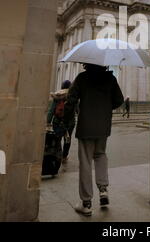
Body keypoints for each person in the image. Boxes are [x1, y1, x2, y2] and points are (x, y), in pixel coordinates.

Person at [63, 63, 124, 216]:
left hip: (86, 125)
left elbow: (70, 101)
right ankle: (103, 190)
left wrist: (66, 120)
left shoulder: (82, 78)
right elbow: (119, 100)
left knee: (85, 161)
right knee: (100, 154)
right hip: (103, 125)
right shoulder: (111, 79)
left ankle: (86, 203)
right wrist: (104, 107)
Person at [47, 80, 76, 163]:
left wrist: (48, 122)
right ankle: (64, 156)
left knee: (57, 139)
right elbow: (77, 110)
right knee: (67, 139)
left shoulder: (57, 96)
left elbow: (52, 110)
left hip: (58, 122)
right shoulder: (73, 96)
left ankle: (58, 155)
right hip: (70, 123)